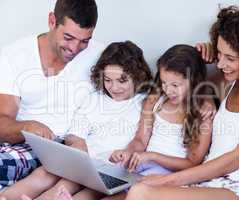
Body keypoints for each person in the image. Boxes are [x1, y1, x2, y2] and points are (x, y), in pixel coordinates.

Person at [120, 5, 239, 200]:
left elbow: (237, 158)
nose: (221, 64)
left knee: (141, 192)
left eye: (230, 58)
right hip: (206, 184)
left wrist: (166, 181)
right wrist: (202, 57)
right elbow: (188, 83)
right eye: (219, 55)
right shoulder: (226, 85)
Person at [0, 41, 153, 200]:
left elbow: (141, 140)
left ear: (137, 75)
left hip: (113, 170)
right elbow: (75, 134)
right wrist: (79, 147)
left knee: (67, 186)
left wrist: (127, 154)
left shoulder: (144, 103)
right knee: (44, 173)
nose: (114, 87)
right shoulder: (94, 100)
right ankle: (6, 197)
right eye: (108, 80)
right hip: (85, 161)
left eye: (122, 81)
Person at [0, 0, 99, 188]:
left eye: (85, 41)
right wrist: (27, 126)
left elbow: (137, 82)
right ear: (52, 21)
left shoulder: (100, 55)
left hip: (55, 150)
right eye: (68, 37)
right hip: (19, 140)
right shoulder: (13, 55)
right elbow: (2, 121)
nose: (75, 48)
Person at [103, 44, 213, 200]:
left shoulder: (202, 114)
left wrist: (153, 156)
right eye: (164, 83)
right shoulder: (155, 100)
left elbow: (192, 162)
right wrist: (127, 152)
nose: (168, 90)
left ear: (193, 81)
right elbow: (140, 140)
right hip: (143, 166)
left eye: (175, 85)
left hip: (172, 176)